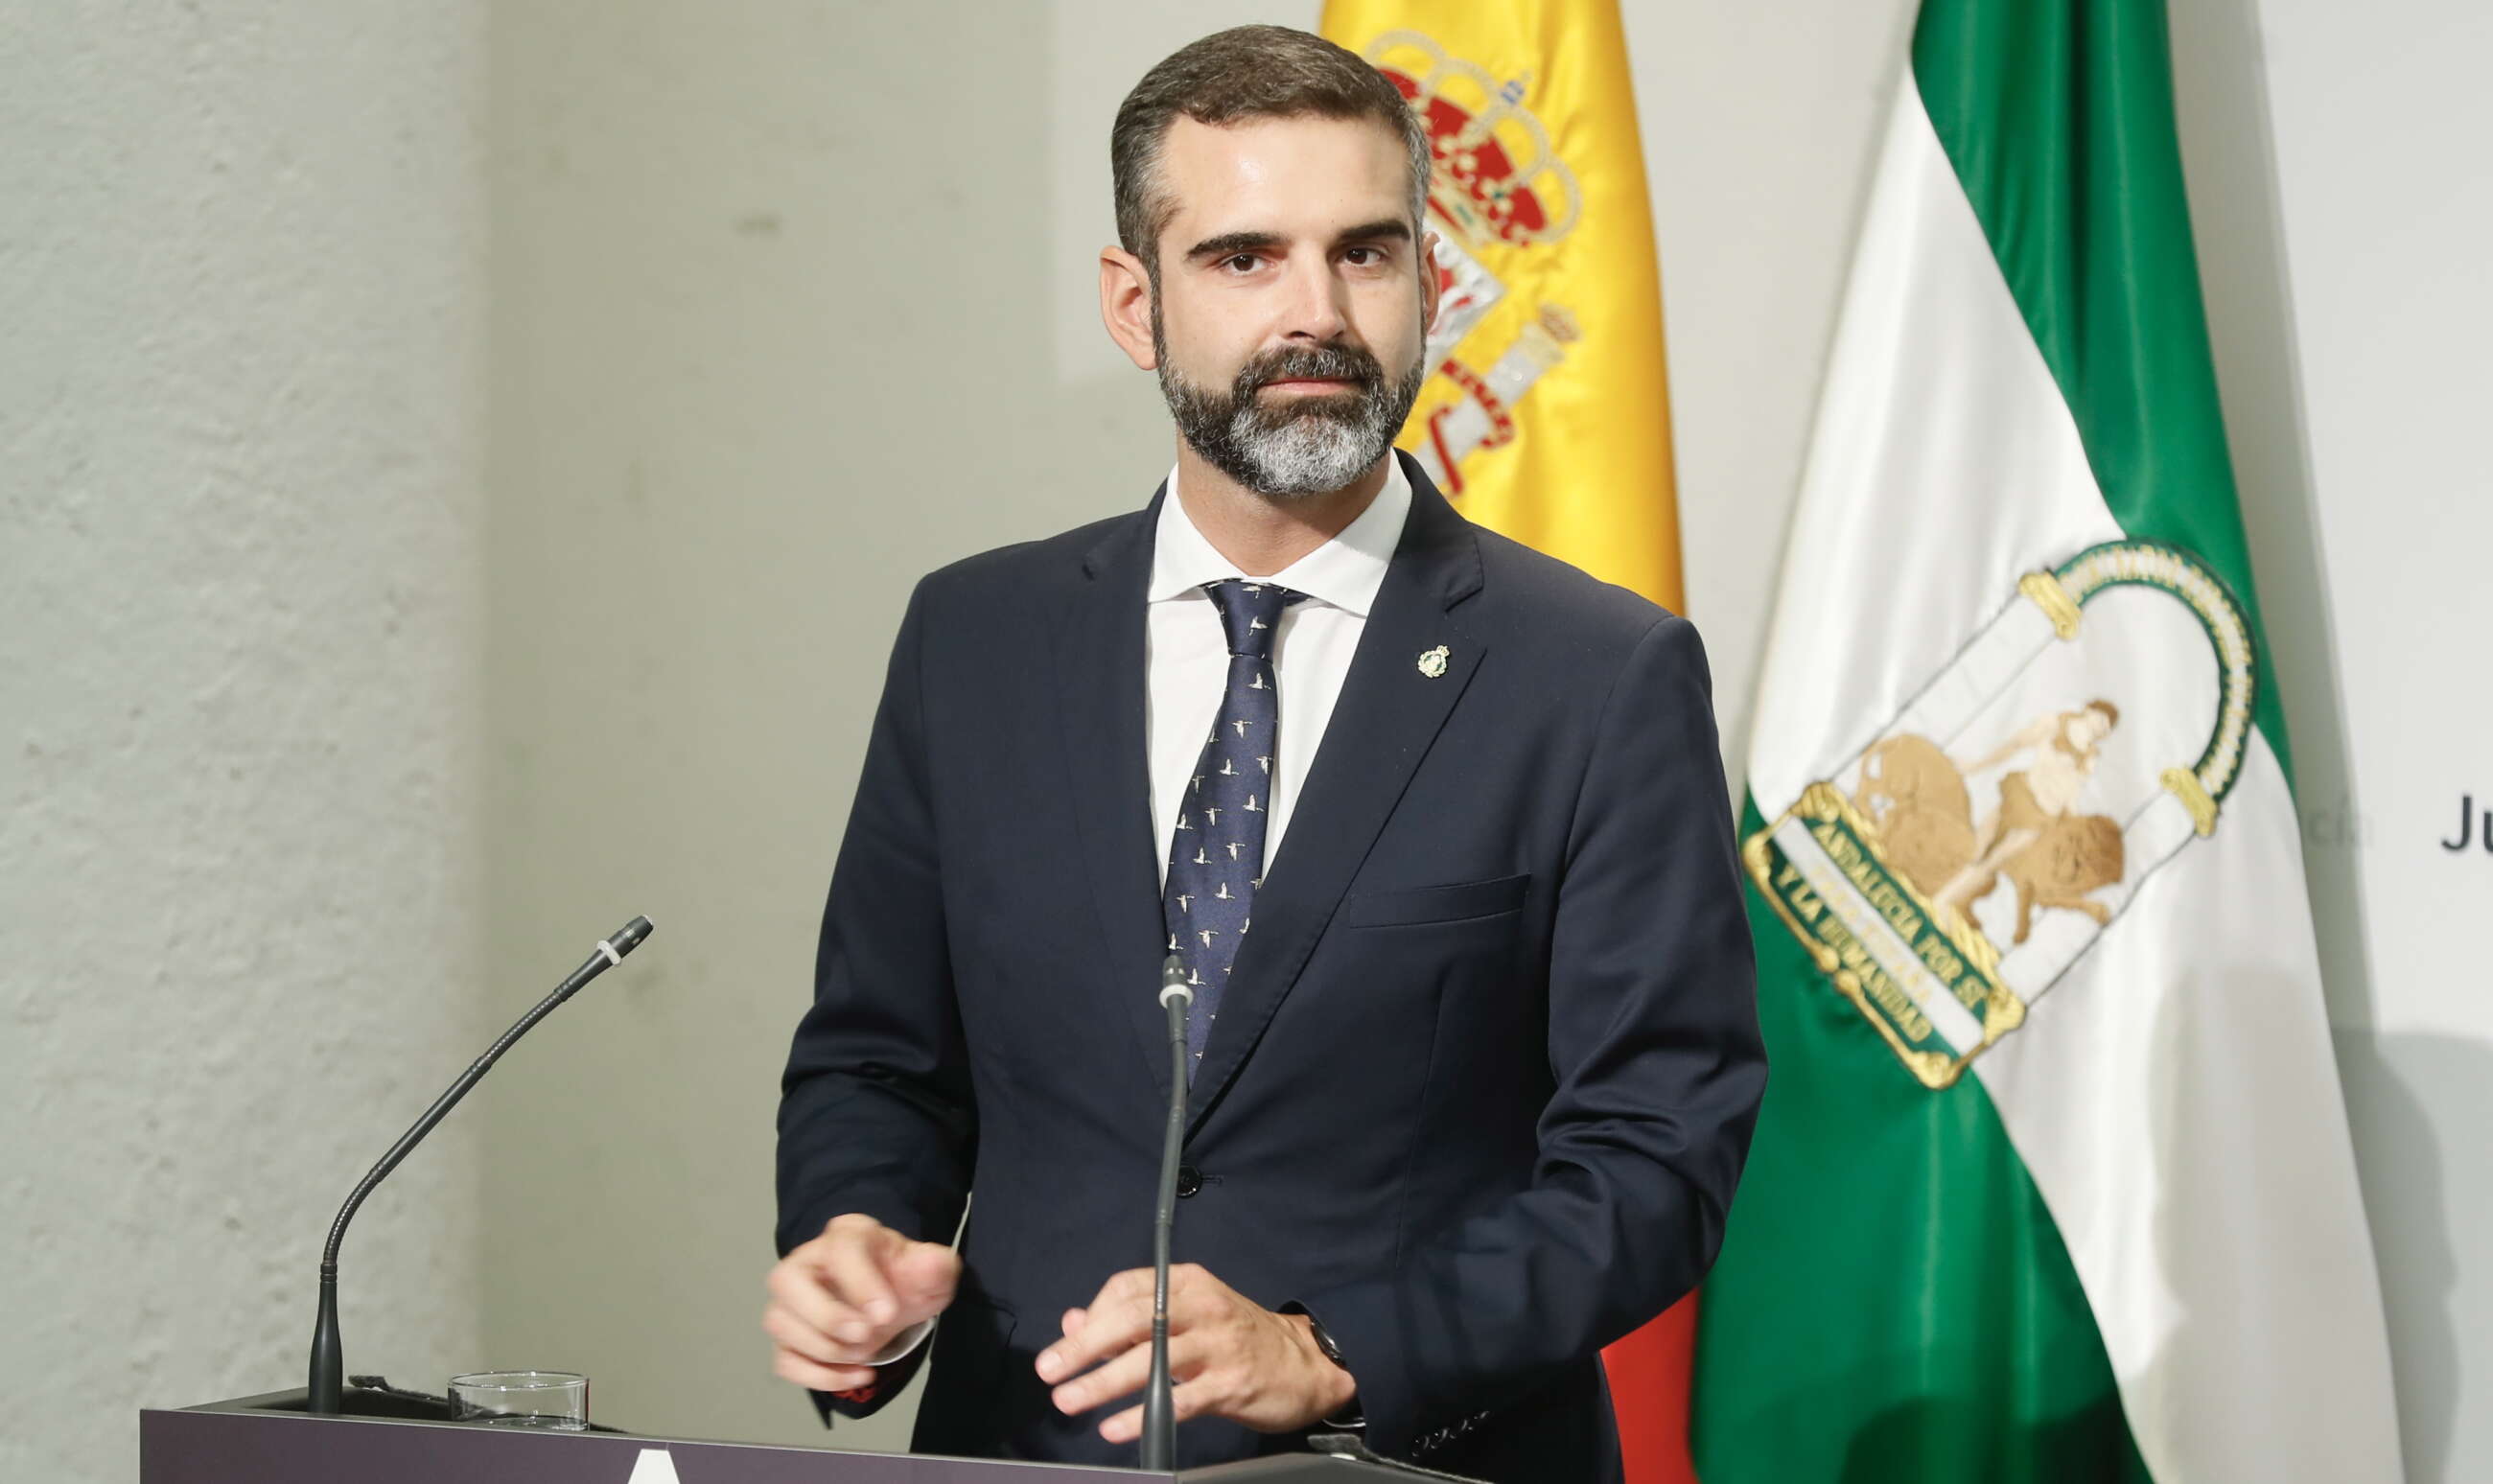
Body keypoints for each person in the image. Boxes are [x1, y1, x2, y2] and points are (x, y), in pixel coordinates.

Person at [763, 25, 1763, 1481]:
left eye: (1364, 253)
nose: (1317, 313)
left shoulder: (1597, 676)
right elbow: (879, 1066)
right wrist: (861, 1241)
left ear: (1429, 280)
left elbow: (1657, 1157)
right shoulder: (975, 639)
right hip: (1024, 1452)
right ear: (1135, 301)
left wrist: (1335, 1347)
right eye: (1243, 259)